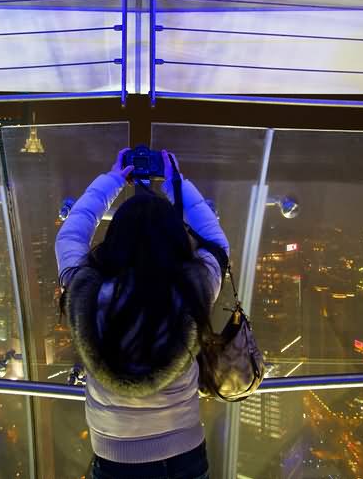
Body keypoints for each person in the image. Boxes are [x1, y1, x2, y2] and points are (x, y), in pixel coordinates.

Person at [55, 148, 229, 479]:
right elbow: (217, 243)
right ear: (175, 239)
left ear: (115, 239)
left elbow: (70, 234)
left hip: (113, 456)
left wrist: (113, 180)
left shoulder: (88, 294)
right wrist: (176, 180)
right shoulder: (193, 289)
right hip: (185, 455)